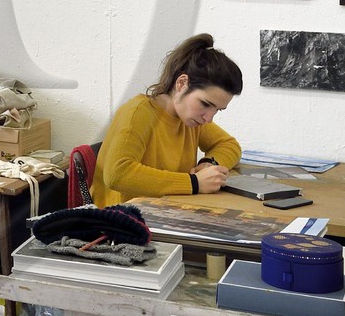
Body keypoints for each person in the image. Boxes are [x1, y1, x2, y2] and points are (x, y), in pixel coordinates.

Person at [88, 33, 243, 208]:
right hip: (123, 220)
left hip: (165, 211)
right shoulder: (138, 113)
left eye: (217, 110)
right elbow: (117, 174)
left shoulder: (190, 118)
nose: (208, 118)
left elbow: (229, 145)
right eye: (205, 104)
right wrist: (193, 183)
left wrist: (208, 164)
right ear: (182, 83)